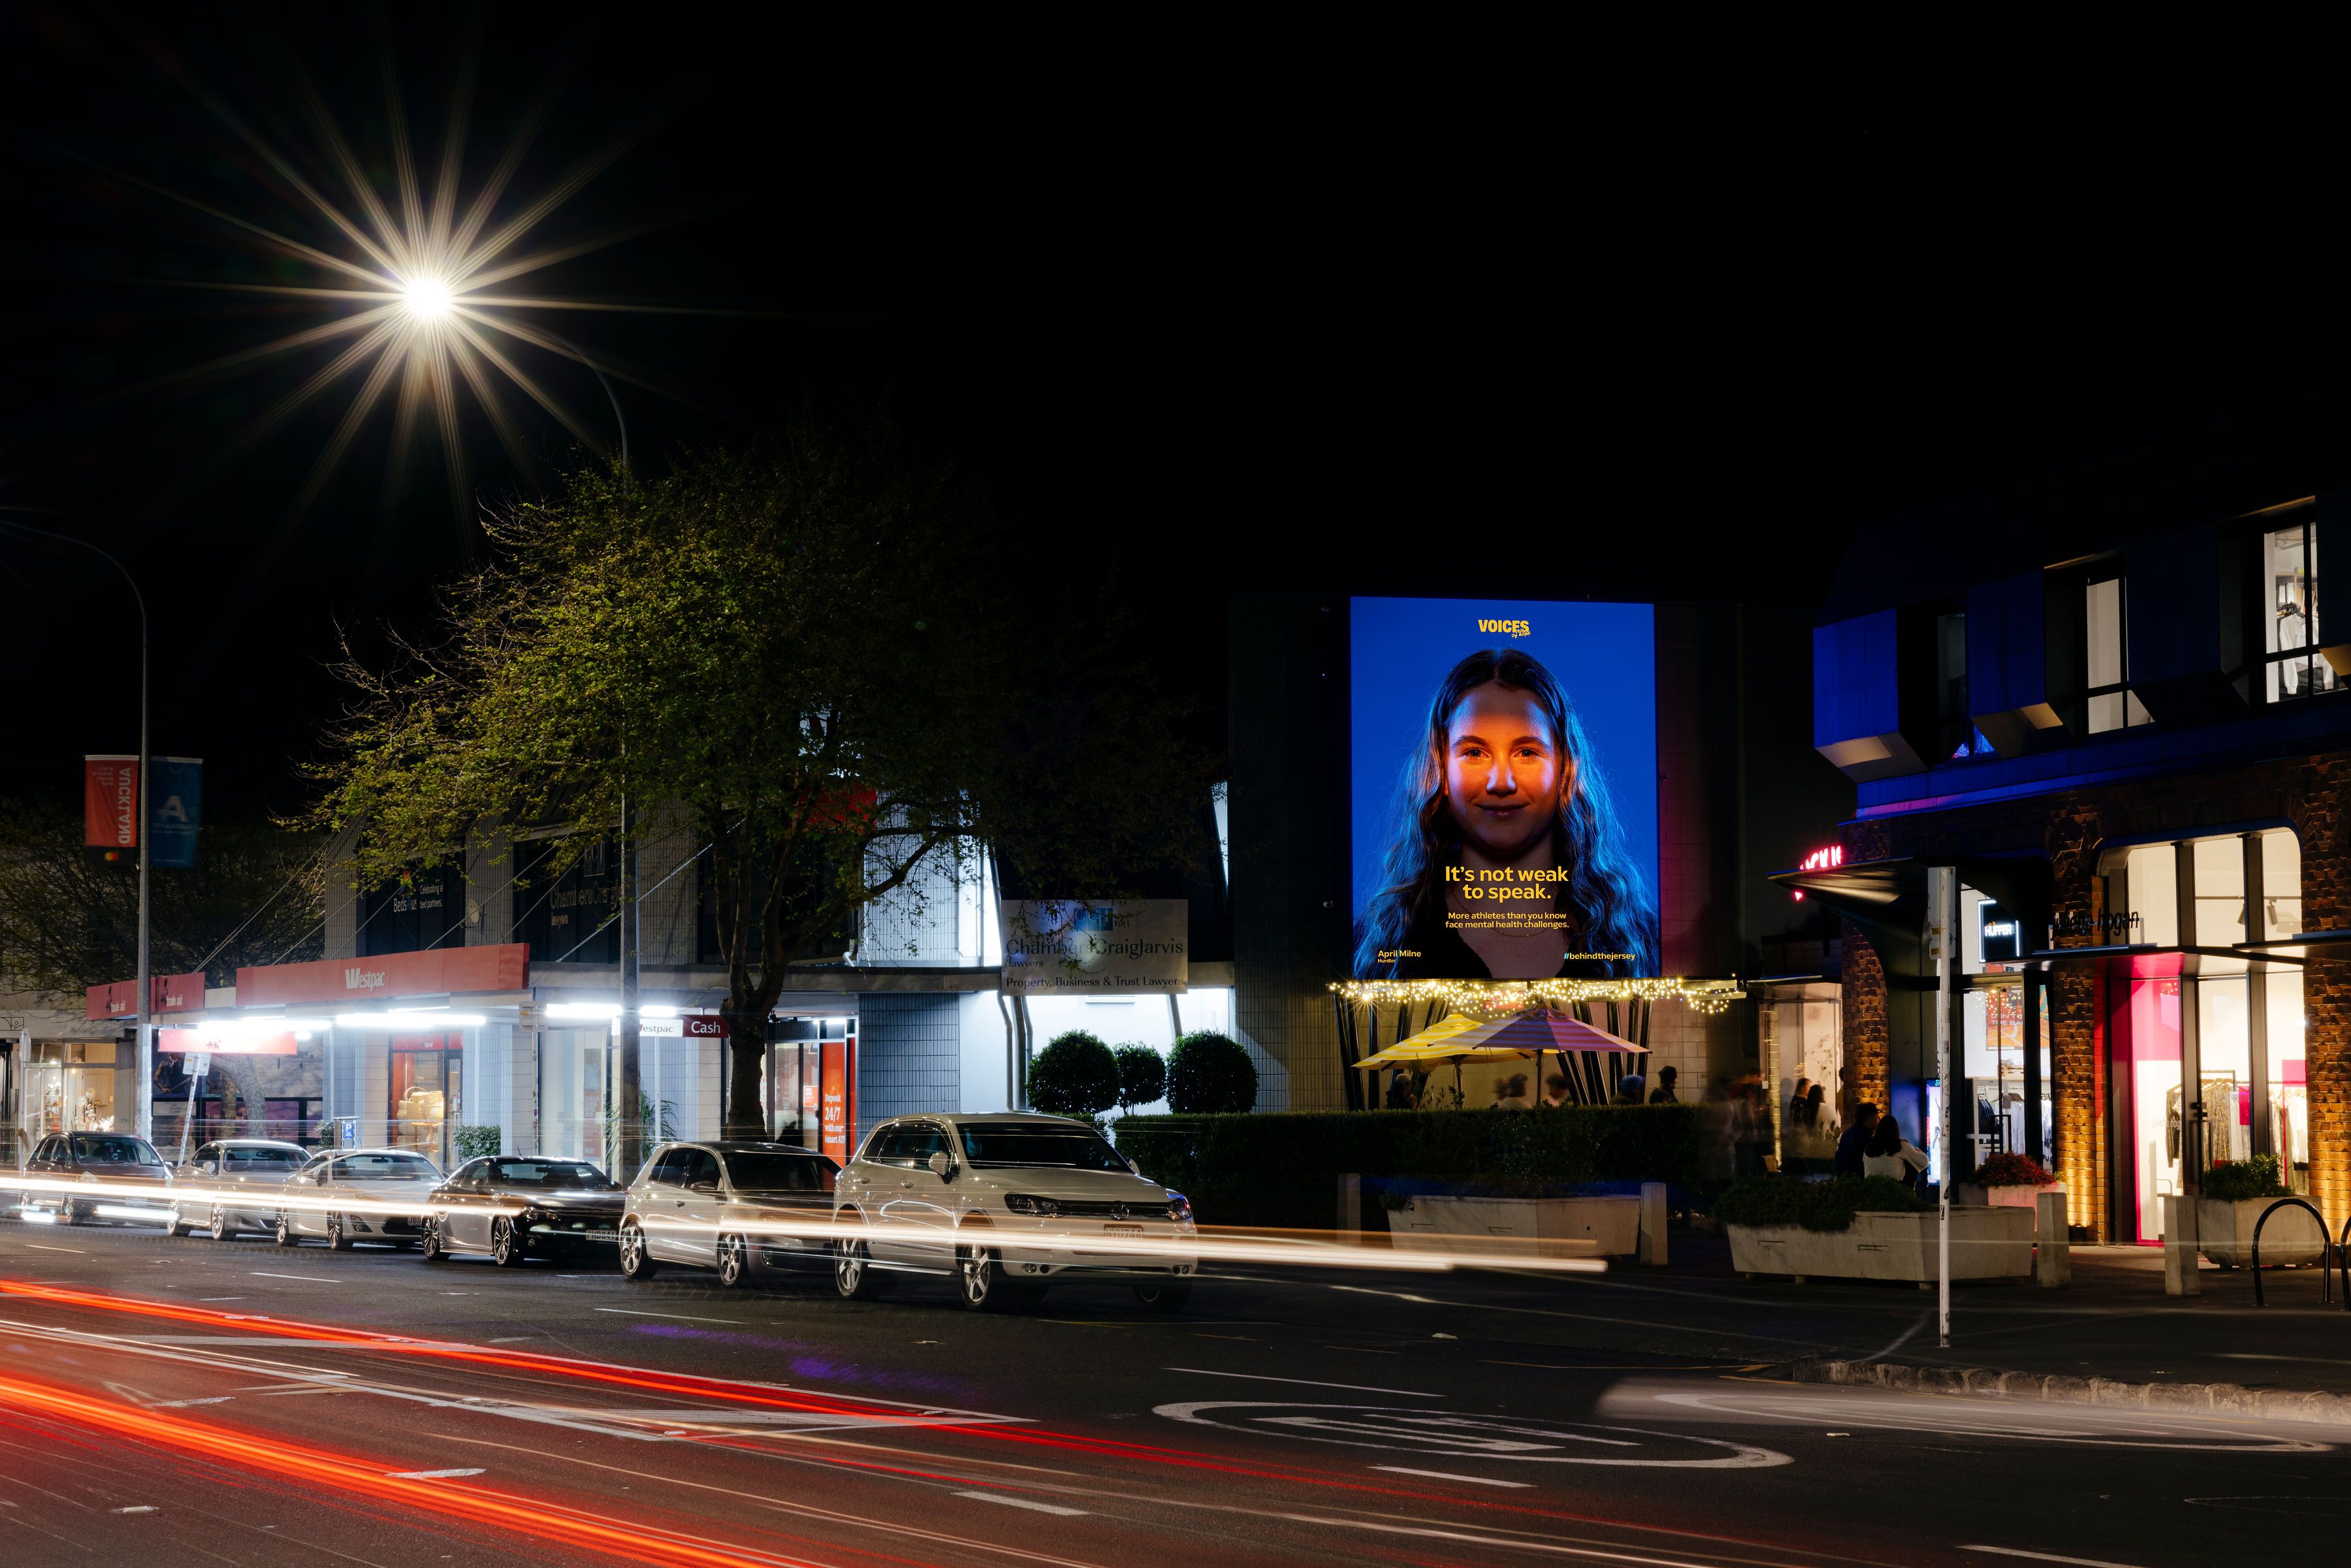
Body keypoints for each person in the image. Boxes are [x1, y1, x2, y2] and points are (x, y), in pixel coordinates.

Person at [1354, 647, 1659, 980]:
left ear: (1565, 770)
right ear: (1441, 770)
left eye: (1526, 752)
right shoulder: (1377, 945)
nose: (1501, 783)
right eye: (1475, 752)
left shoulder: (1642, 943)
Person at [1863, 1111, 1930, 1191]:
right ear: (1896, 1131)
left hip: (1871, 1193)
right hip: (1894, 1192)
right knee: (1911, 1162)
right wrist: (1911, 1147)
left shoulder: (1868, 1148)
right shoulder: (1900, 1146)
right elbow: (1925, 1161)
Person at [1834, 1101, 1879, 1177]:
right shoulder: (1866, 1138)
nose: (1879, 1119)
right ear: (1869, 1119)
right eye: (1876, 1116)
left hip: (1843, 1179)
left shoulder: (1848, 1133)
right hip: (1856, 1180)